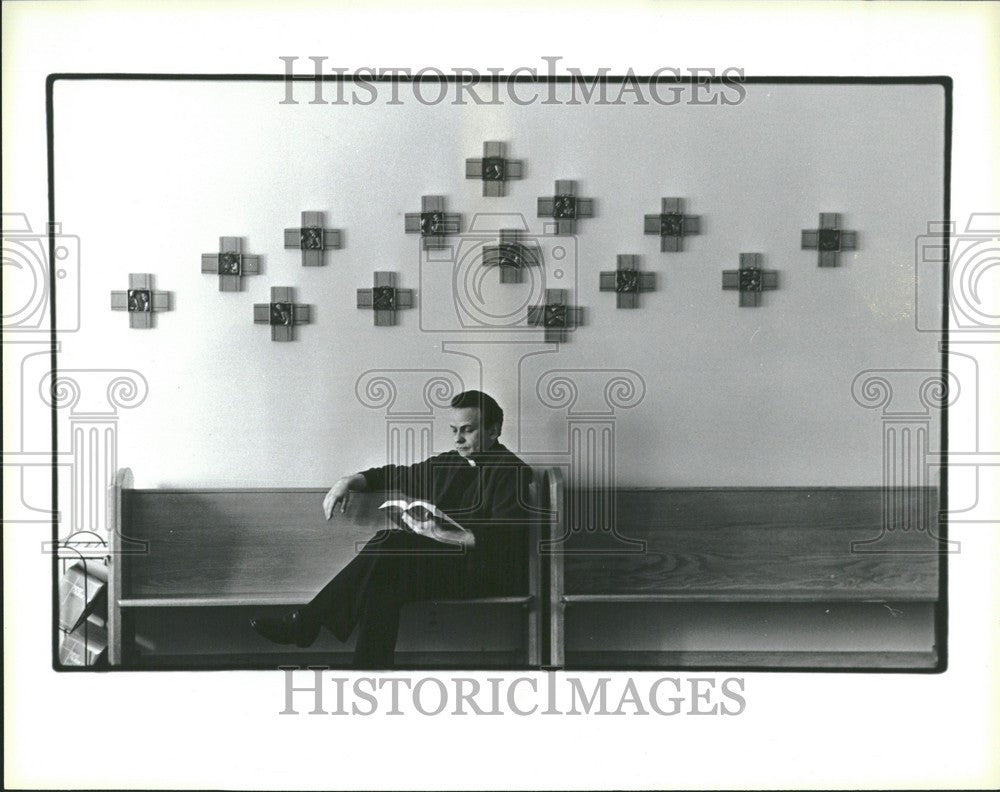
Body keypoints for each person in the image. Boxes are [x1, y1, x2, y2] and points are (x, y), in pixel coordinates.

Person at [250, 390, 532, 668]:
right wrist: (347, 481)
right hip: (447, 568)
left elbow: (504, 539)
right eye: (454, 430)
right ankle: (369, 673)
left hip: (485, 574)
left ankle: (307, 623)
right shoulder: (449, 463)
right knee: (383, 583)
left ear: (494, 431)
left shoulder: (513, 472)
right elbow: (391, 474)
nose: (458, 439)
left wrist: (439, 533)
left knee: (388, 541)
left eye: (468, 430)